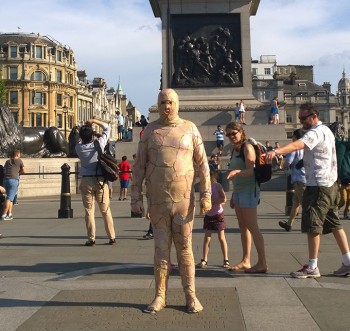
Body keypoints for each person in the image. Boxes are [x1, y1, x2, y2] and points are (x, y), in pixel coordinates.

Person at [131, 88, 211, 314]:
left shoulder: (190, 129)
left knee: (185, 249)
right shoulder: (150, 131)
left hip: (183, 201)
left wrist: (206, 195)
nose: (167, 106)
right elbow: (139, 166)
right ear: (158, 104)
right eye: (163, 102)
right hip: (157, 201)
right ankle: (159, 296)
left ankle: (191, 295)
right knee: (160, 250)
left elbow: (203, 166)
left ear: (178, 104)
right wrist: (135, 197)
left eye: (171, 102)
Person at [265, 102, 350, 278]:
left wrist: (276, 151)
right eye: (300, 119)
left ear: (314, 116)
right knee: (335, 224)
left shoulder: (316, 132)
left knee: (312, 226)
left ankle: (312, 266)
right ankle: (348, 262)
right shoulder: (327, 130)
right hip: (329, 184)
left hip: (318, 185)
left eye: (304, 118)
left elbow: (298, 145)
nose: (301, 122)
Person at [225, 121, 267, 273]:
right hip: (239, 192)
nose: (231, 136)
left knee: (253, 227)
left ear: (241, 132)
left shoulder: (247, 147)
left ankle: (262, 262)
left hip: (249, 191)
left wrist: (236, 172)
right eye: (228, 134)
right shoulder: (234, 150)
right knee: (243, 228)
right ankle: (246, 260)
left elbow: (251, 171)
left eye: (233, 133)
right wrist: (234, 194)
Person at [75, 118, 116, 246]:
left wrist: (84, 129)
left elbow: (78, 135)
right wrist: (93, 121)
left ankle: (91, 238)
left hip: (86, 180)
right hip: (100, 180)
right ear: (92, 135)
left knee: (89, 211)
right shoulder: (98, 144)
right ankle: (111, 237)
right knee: (105, 210)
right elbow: (107, 128)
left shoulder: (78, 148)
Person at [196, 164, 229, 268]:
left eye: (208, 174)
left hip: (218, 214)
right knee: (207, 238)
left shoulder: (217, 185)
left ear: (212, 175)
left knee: (221, 237)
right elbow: (201, 199)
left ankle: (226, 260)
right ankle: (204, 259)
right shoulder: (203, 187)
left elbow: (223, 198)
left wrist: (212, 201)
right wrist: (202, 207)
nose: (206, 176)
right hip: (209, 215)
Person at [278, 129, 306, 232]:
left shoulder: (294, 148)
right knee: (296, 203)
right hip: (305, 177)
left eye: (293, 136)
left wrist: (281, 163)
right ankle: (289, 224)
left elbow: (287, 163)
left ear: (295, 137)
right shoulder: (305, 146)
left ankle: (309, 224)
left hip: (299, 179)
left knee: (304, 203)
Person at [1, 150, 25, 221]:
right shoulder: (19, 161)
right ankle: (4, 214)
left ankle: (9, 214)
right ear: (17, 155)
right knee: (9, 198)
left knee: (10, 198)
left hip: (5, 180)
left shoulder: (7, 161)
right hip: (13, 181)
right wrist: (18, 172)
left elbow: (5, 170)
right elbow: (23, 171)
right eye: (19, 154)